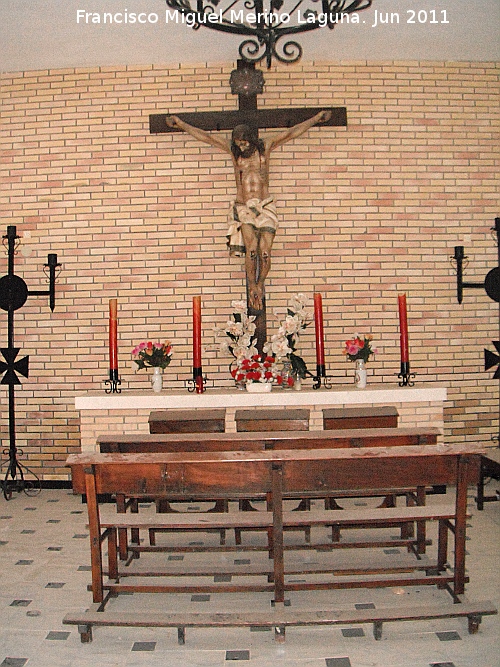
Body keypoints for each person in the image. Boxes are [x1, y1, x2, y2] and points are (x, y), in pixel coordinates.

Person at [166, 110, 331, 309]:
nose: (241, 146)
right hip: (244, 206)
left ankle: (260, 284)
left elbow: (291, 133)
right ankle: (252, 285)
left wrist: (315, 118)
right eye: (237, 144)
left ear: (251, 139)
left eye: (243, 143)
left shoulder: (265, 148)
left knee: (265, 252)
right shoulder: (234, 152)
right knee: (251, 250)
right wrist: (181, 124)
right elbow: (207, 137)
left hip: (265, 206)